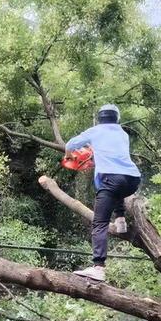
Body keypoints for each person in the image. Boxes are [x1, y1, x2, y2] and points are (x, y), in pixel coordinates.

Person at [64, 104, 141, 282]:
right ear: (116, 118)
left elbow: (70, 144)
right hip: (133, 179)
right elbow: (110, 153)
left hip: (111, 179)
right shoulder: (123, 134)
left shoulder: (95, 131)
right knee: (117, 191)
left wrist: (69, 155)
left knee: (99, 223)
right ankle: (121, 221)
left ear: (100, 118)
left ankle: (98, 267)